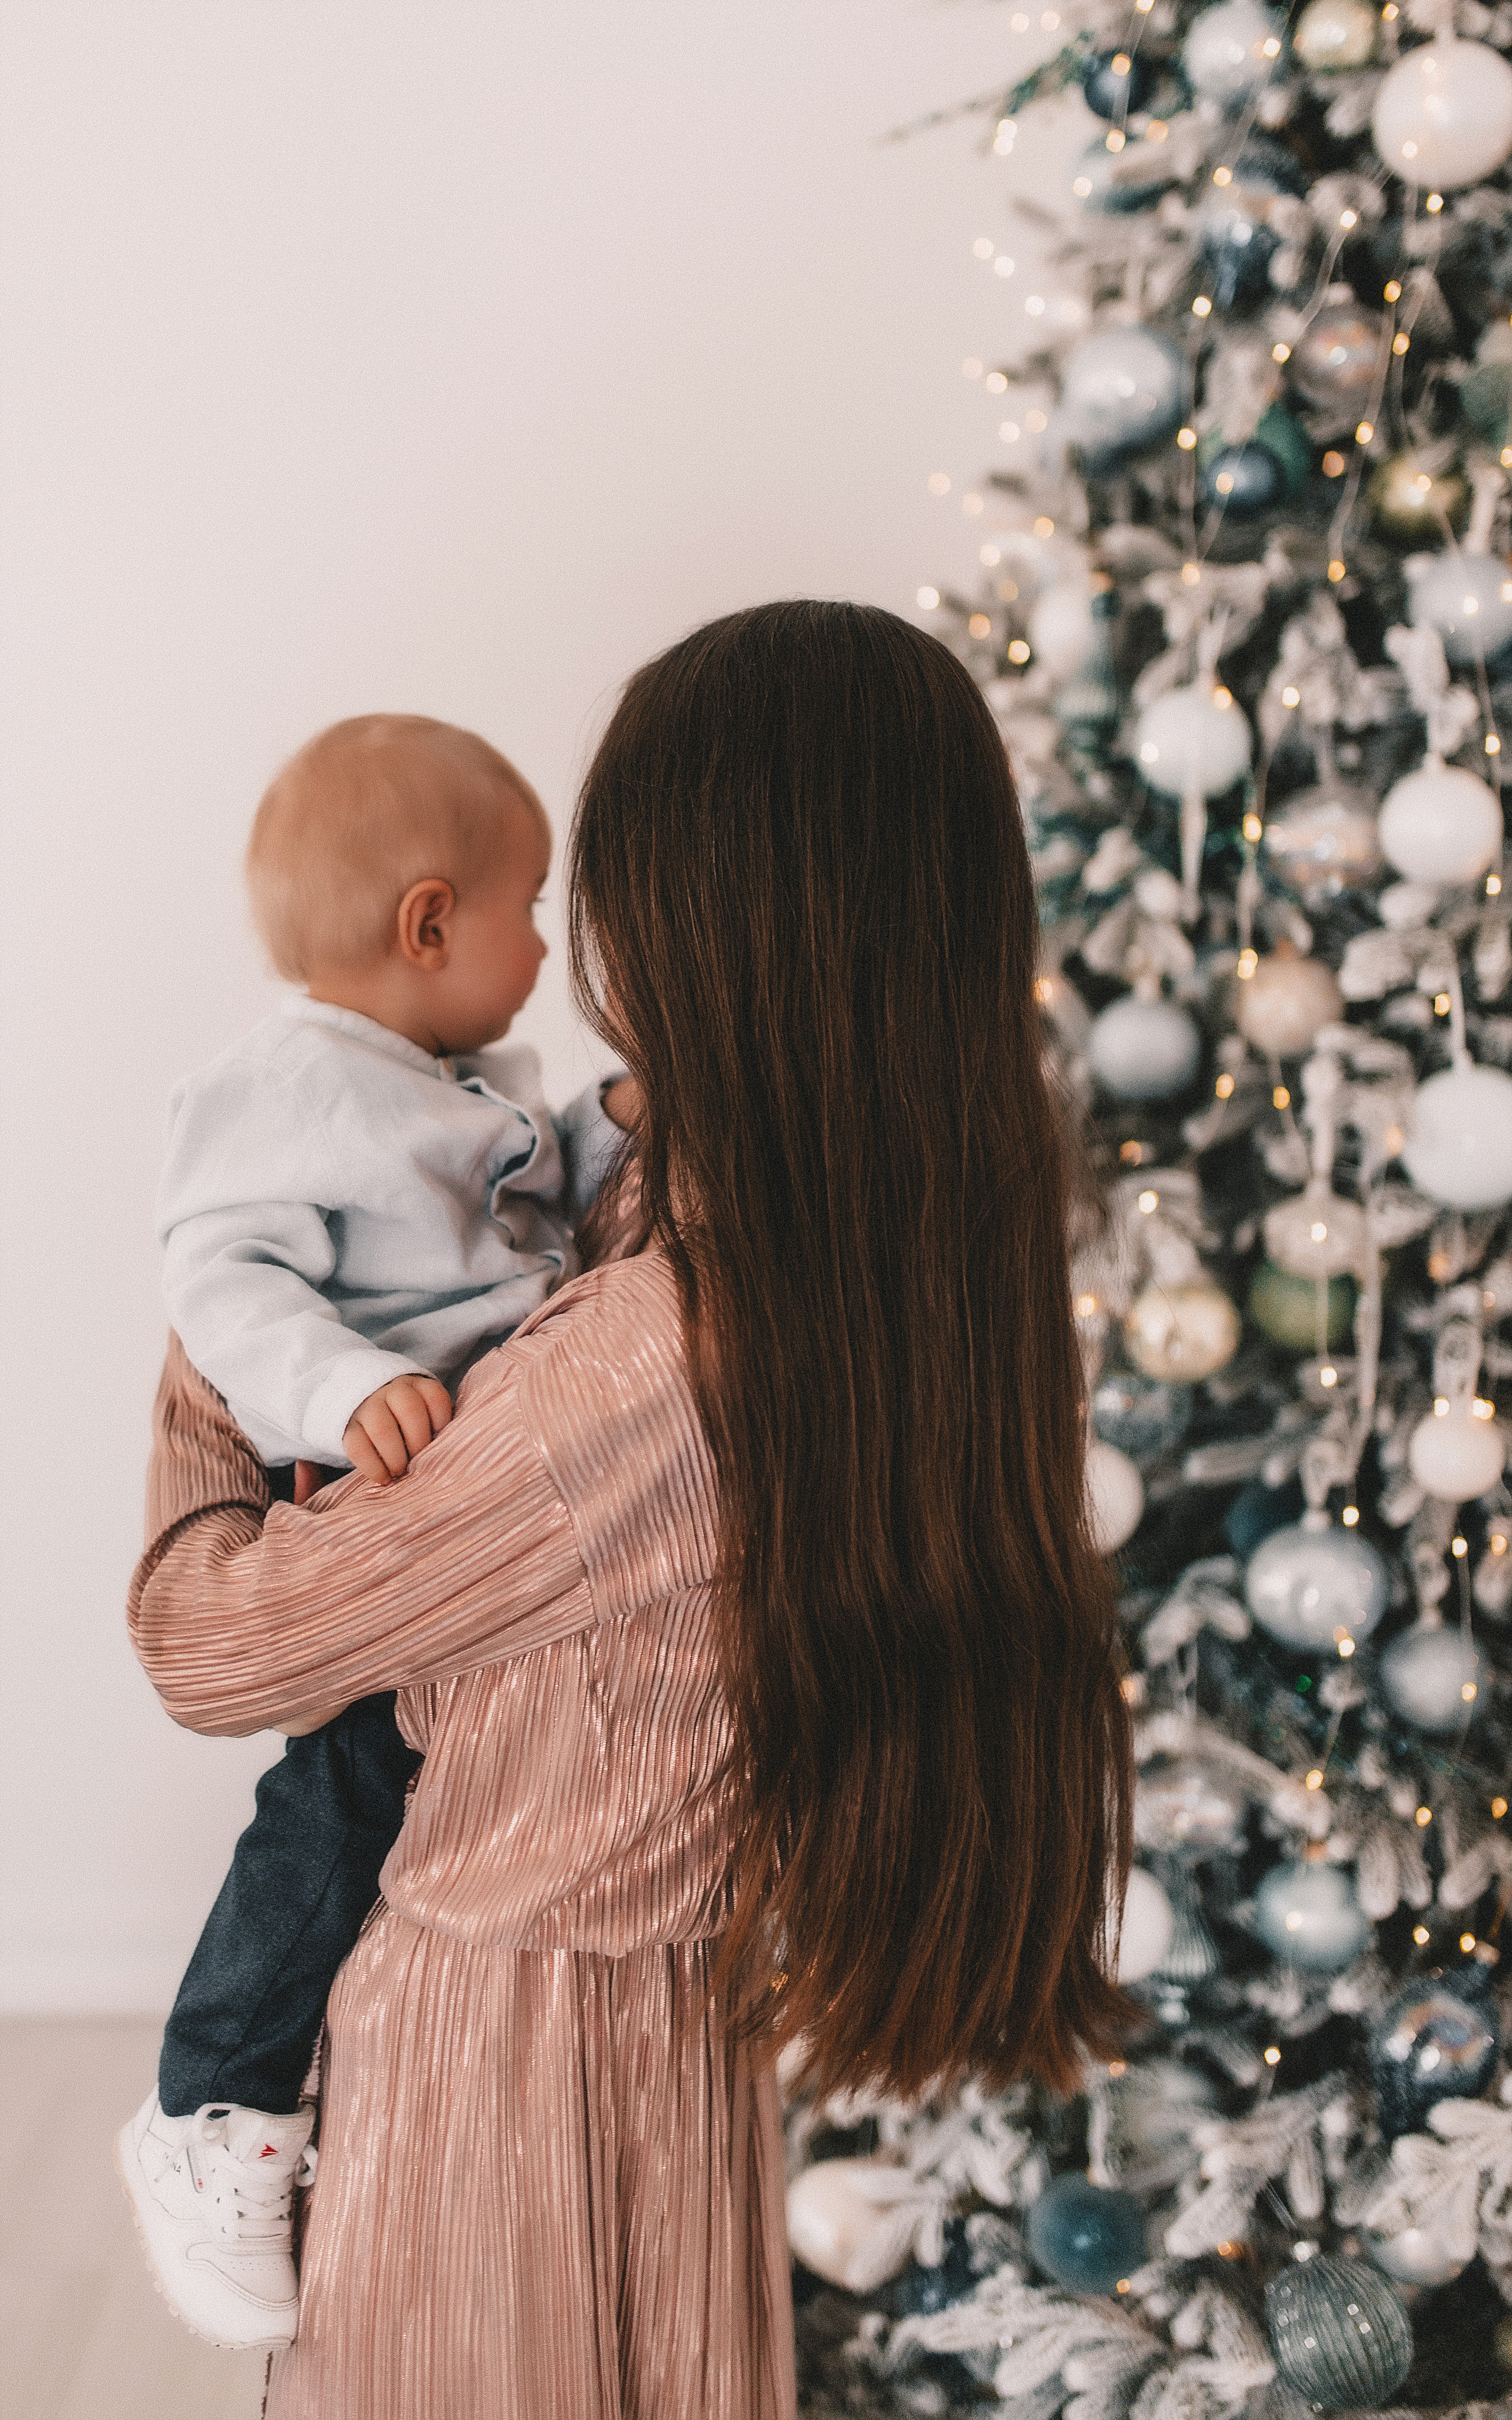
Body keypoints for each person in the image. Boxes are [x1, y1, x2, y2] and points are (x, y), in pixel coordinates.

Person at [127, 600, 1134, 2420]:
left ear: (702, 918)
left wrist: (222, 1334)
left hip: (495, 2086)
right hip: (674, 2053)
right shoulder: (893, 1264)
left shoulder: (634, 1374)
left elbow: (215, 1648)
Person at [116, 714, 634, 2349]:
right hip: (371, 1487)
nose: (543, 943)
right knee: (335, 1804)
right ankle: (212, 2107)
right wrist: (344, 1391)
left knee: (401, 1797)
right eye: (530, 908)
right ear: (429, 923)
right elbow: (220, 1283)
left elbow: (533, 1218)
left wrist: (631, 1118)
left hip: (486, 1512)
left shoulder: (460, 1081)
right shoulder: (284, 1092)